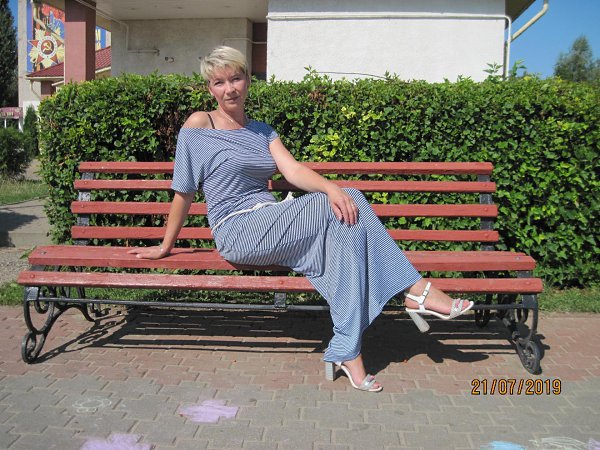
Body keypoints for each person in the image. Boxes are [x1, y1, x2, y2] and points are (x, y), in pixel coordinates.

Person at [128, 46, 473, 392]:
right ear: (210, 89)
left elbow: (292, 170)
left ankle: (348, 350)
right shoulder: (200, 124)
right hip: (238, 230)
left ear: (248, 81)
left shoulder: (263, 131)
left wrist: (330, 188)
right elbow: (184, 190)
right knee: (349, 200)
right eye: (219, 82)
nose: (229, 88)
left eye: (236, 78)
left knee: (346, 235)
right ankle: (416, 290)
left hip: (272, 222)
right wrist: (165, 246)